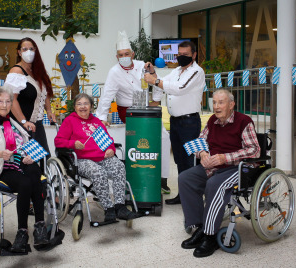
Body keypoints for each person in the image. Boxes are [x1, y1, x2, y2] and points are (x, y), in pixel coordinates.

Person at [178, 89, 260, 258]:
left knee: (214, 184)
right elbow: (200, 142)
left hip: (237, 168)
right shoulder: (212, 121)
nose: (216, 106)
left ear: (231, 104)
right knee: (185, 178)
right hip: (213, 166)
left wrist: (225, 158)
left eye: (221, 102)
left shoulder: (244, 122)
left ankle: (210, 236)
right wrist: (202, 154)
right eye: (214, 102)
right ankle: (200, 226)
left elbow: (255, 150)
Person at [95, 30, 172, 194]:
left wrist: (156, 99)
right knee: (136, 140)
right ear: (117, 57)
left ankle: (162, 179)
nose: (124, 56)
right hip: (128, 111)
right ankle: (134, 175)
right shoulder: (114, 72)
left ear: (132, 54)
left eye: (126, 53)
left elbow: (155, 83)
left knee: (164, 136)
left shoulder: (142, 65)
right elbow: (106, 96)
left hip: (146, 109)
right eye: (120, 54)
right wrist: (100, 118)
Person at [0, 86, 49, 253]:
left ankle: (39, 227)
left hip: (24, 162)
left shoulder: (15, 122)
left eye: (8, 101)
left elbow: (26, 145)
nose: (4, 104)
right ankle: (22, 232)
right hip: (5, 168)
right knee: (25, 183)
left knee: (36, 174)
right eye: (0, 101)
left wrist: (30, 156)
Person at [55, 93, 137, 222]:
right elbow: (58, 141)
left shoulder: (96, 121)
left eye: (86, 104)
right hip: (81, 160)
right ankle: (109, 209)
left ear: (91, 107)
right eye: (79, 104)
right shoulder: (70, 121)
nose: (83, 107)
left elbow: (108, 139)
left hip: (102, 157)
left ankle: (120, 207)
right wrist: (73, 144)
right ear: (75, 107)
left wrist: (111, 149)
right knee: (98, 172)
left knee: (119, 167)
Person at [144, 40, 205, 205]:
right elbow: (163, 82)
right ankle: (183, 194)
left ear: (194, 55)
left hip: (189, 122)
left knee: (190, 160)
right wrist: (154, 74)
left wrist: (155, 81)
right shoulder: (177, 70)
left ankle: (194, 196)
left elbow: (178, 88)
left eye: (185, 55)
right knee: (178, 160)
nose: (181, 57)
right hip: (176, 122)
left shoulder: (197, 72)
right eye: (179, 54)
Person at [5, 37, 56, 161]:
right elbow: (11, 100)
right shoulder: (16, 72)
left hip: (37, 122)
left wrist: (49, 111)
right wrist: (23, 122)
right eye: (25, 49)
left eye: (31, 49)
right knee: (30, 159)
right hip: (21, 124)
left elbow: (44, 94)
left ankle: (44, 180)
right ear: (19, 52)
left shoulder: (37, 71)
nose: (29, 52)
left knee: (44, 157)